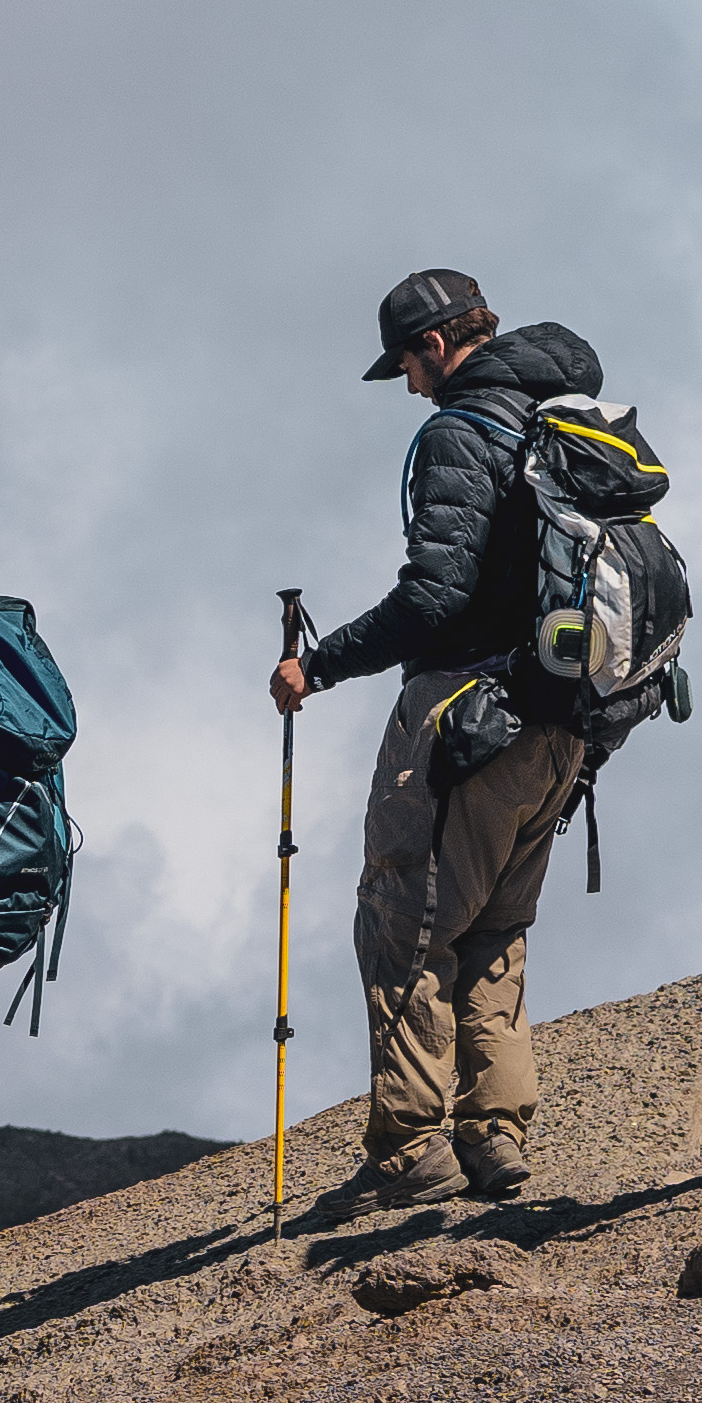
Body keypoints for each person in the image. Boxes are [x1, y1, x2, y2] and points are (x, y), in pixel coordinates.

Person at [266, 271, 606, 1212]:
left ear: (434, 345)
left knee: (403, 920)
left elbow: (435, 598)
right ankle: (495, 1135)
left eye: (409, 366)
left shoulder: (463, 431)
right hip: (563, 723)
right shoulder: (563, 419)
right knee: (495, 926)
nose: (410, 387)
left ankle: (411, 1147)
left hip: (465, 715)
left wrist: (319, 666)